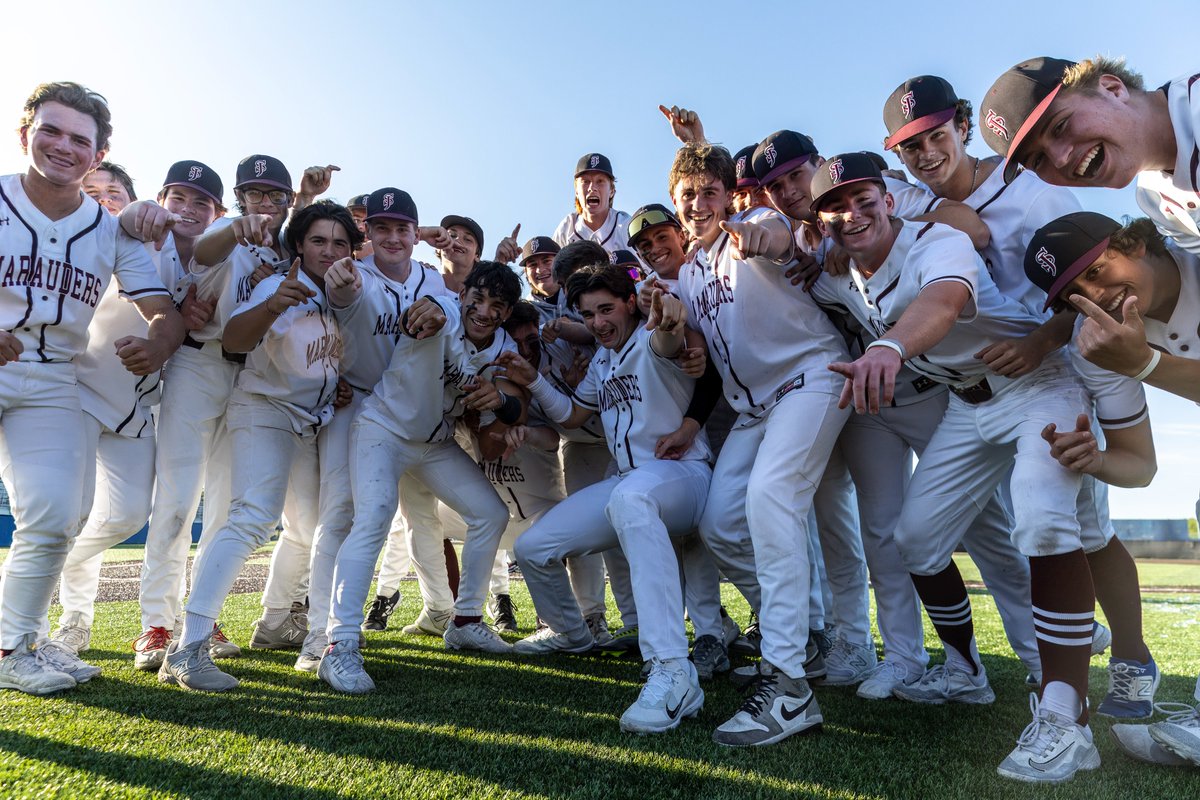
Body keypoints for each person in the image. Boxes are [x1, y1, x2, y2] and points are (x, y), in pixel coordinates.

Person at [809, 152, 1099, 783]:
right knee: (915, 540)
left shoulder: (937, 238)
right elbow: (788, 259)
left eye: (864, 198)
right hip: (968, 410)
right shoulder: (836, 272)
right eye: (835, 205)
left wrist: (887, 346)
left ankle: (1066, 715)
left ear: (889, 198)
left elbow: (941, 303)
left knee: (1044, 520)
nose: (852, 213)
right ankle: (966, 674)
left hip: (1036, 384)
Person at [0, 81, 184, 694]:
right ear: (26, 134)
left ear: (98, 156)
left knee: (57, 516)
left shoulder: (111, 231)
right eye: (50, 131)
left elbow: (164, 309)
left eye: (80, 139)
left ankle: (16, 644)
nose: (63, 146)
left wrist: (160, 340)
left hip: (53, 378)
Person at [670, 142, 850, 746]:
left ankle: (789, 683)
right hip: (754, 409)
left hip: (811, 377)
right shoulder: (688, 273)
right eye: (687, 195)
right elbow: (697, 351)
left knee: (772, 501)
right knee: (720, 525)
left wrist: (763, 239)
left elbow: (783, 237)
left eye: (710, 193)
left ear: (729, 197)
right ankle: (797, 635)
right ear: (677, 203)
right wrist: (679, 339)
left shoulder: (756, 225)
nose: (699, 204)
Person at [497, 264, 712, 734]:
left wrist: (670, 318)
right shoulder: (601, 359)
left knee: (631, 499)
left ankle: (674, 670)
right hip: (631, 482)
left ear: (631, 303)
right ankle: (572, 636)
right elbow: (573, 416)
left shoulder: (651, 335)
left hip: (685, 475)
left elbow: (669, 340)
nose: (597, 322)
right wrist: (533, 380)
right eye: (588, 314)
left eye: (606, 309)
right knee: (533, 549)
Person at [1026, 211, 1200, 768]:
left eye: (1100, 269)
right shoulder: (1096, 339)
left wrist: (1146, 363)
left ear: (1139, 242)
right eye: (1079, 293)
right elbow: (1141, 466)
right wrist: (1098, 458)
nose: (1098, 295)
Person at [157, 201, 355, 691]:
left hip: (310, 422)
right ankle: (188, 646)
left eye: (340, 243)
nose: (328, 251)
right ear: (300, 246)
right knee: (252, 516)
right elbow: (235, 340)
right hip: (263, 409)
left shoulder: (351, 292)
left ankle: (272, 625)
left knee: (313, 529)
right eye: (318, 241)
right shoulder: (277, 283)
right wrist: (273, 304)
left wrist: (339, 383)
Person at [318, 262, 521, 694]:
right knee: (372, 519)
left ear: (507, 313)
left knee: (490, 514)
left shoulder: (501, 345)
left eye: (497, 306)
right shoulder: (442, 309)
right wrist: (432, 307)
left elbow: (511, 408)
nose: (484, 311)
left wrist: (500, 401)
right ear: (462, 292)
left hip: (434, 442)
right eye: (478, 299)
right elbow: (432, 310)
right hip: (384, 429)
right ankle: (340, 644)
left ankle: (465, 620)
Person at [50, 160, 225, 653]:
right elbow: (133, 216)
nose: (105, 200)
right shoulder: (118, 232)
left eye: (200, 202)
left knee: (125, 516)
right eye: (176, 199)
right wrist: (134, 208)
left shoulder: (211, 259)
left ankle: (47, 561)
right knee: (71, 511)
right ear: (157, 201)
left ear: (217, 213)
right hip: (78, 389)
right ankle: (74, 622)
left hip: (137, 406)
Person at [979, 56, 1200, 251]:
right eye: (1038, 160)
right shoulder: (1154, 200)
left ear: (1113, 89)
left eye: (1060, 126)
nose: (1059, 159)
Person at [552, 153, 631, 255]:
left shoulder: (624, 225)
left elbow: (645, 270)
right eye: (585, 181)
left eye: (600, 181)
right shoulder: (567, 227)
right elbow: (552, 269)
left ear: (611, 190)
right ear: (576, 190)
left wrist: (630, 271)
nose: (592, 188)